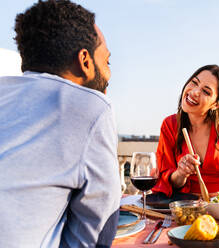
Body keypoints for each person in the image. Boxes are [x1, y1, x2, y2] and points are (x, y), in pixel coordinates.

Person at [0, 1, 121, 247]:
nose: (108, 74)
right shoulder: (91, 106)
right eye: (106, 62)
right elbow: (97, 233)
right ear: (85, 61)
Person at [152, 65, 219, 198]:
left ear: (216, 104)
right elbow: (166, 180)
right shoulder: (169, 125)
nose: (195, 92)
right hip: (186, 209)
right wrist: (181, 173)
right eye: (194, 82)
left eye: (206, 92)